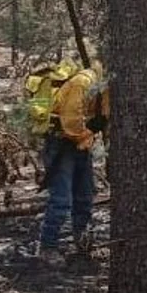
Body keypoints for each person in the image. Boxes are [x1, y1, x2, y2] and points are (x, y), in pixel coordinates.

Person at [37, 60, 104, 265]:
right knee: (61, 199)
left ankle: (82, 242)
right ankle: (47, 247)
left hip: (79, 144)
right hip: (61, 144)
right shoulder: (83, 83)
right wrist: (89, 132)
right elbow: (71, 121)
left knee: (84, 196)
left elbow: (102, 115)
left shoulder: (102, 87)